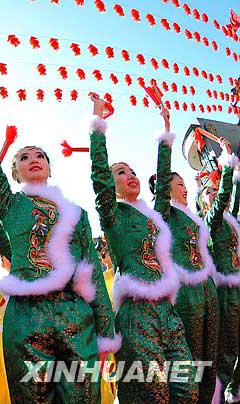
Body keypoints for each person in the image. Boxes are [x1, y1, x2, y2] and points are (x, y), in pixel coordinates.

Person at [0, 71, 116, 402]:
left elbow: (92, 271)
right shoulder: (10, 204)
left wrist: (105, 333)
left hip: (76, 319)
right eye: (24, 157)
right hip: (25, 320)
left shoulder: (77, 214)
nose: (33, 159)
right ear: (15, 172)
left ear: (49, 167)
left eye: (40, 156)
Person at [88, 92, 198, 402]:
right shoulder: (112, 214)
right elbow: (100, 177)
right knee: (153, 394)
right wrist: (97, 125)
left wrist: (165, 132)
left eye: (132, 171)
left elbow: (162, 185)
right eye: (121, 173)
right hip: (137, 315)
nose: (130, 176)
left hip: (168, 313)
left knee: (187, 391)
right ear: (112, 184)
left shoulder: (155, 216)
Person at [149, 111, 219, 403]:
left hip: (208, 289)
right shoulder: (163, 214)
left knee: (211, 355)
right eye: (179, 184)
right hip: (185, 293)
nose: (185, 188)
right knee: (191, 359)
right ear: (166, 188)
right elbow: (162, 176)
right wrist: (166, 134)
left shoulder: (194, 217)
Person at [196, 139, 240, 403]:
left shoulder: (230, 219)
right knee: (229, 349)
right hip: (227, 292)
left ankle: (234, 391)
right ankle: (220, 396)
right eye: (208, 193)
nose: (214, 193)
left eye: (215, 190)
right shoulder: (210, 221)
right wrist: (226, 161)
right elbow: (225, 195)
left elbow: (234, 197)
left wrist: (235, 169)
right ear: (203, 204)